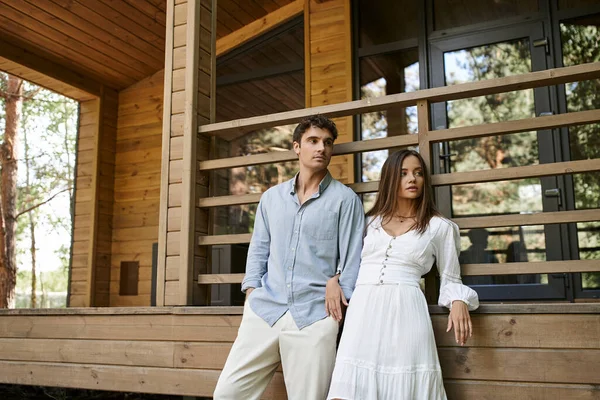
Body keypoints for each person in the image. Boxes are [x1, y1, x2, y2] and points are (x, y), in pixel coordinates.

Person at [213, 115, 365, 400]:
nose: (321, 148)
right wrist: (251, 291)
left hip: (315, 315)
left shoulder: (346, 201)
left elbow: (354, 259)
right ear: (297, 146)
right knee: (227, 394)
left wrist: (339, 282)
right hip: (265, 310)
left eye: (328, 143)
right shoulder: (271, 198)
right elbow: (258, 249)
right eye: (313, 141)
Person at [327, 149, 479, 400]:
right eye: (404, 173)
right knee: (345, 391)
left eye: (418, 173)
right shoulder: (368, 223)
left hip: (406, 312)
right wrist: (334, 279)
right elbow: (346, 263)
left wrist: (459, 300)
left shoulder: (439, 227)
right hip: (362, 312)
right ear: (389, 179)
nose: (412, 179)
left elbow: (451, 278)